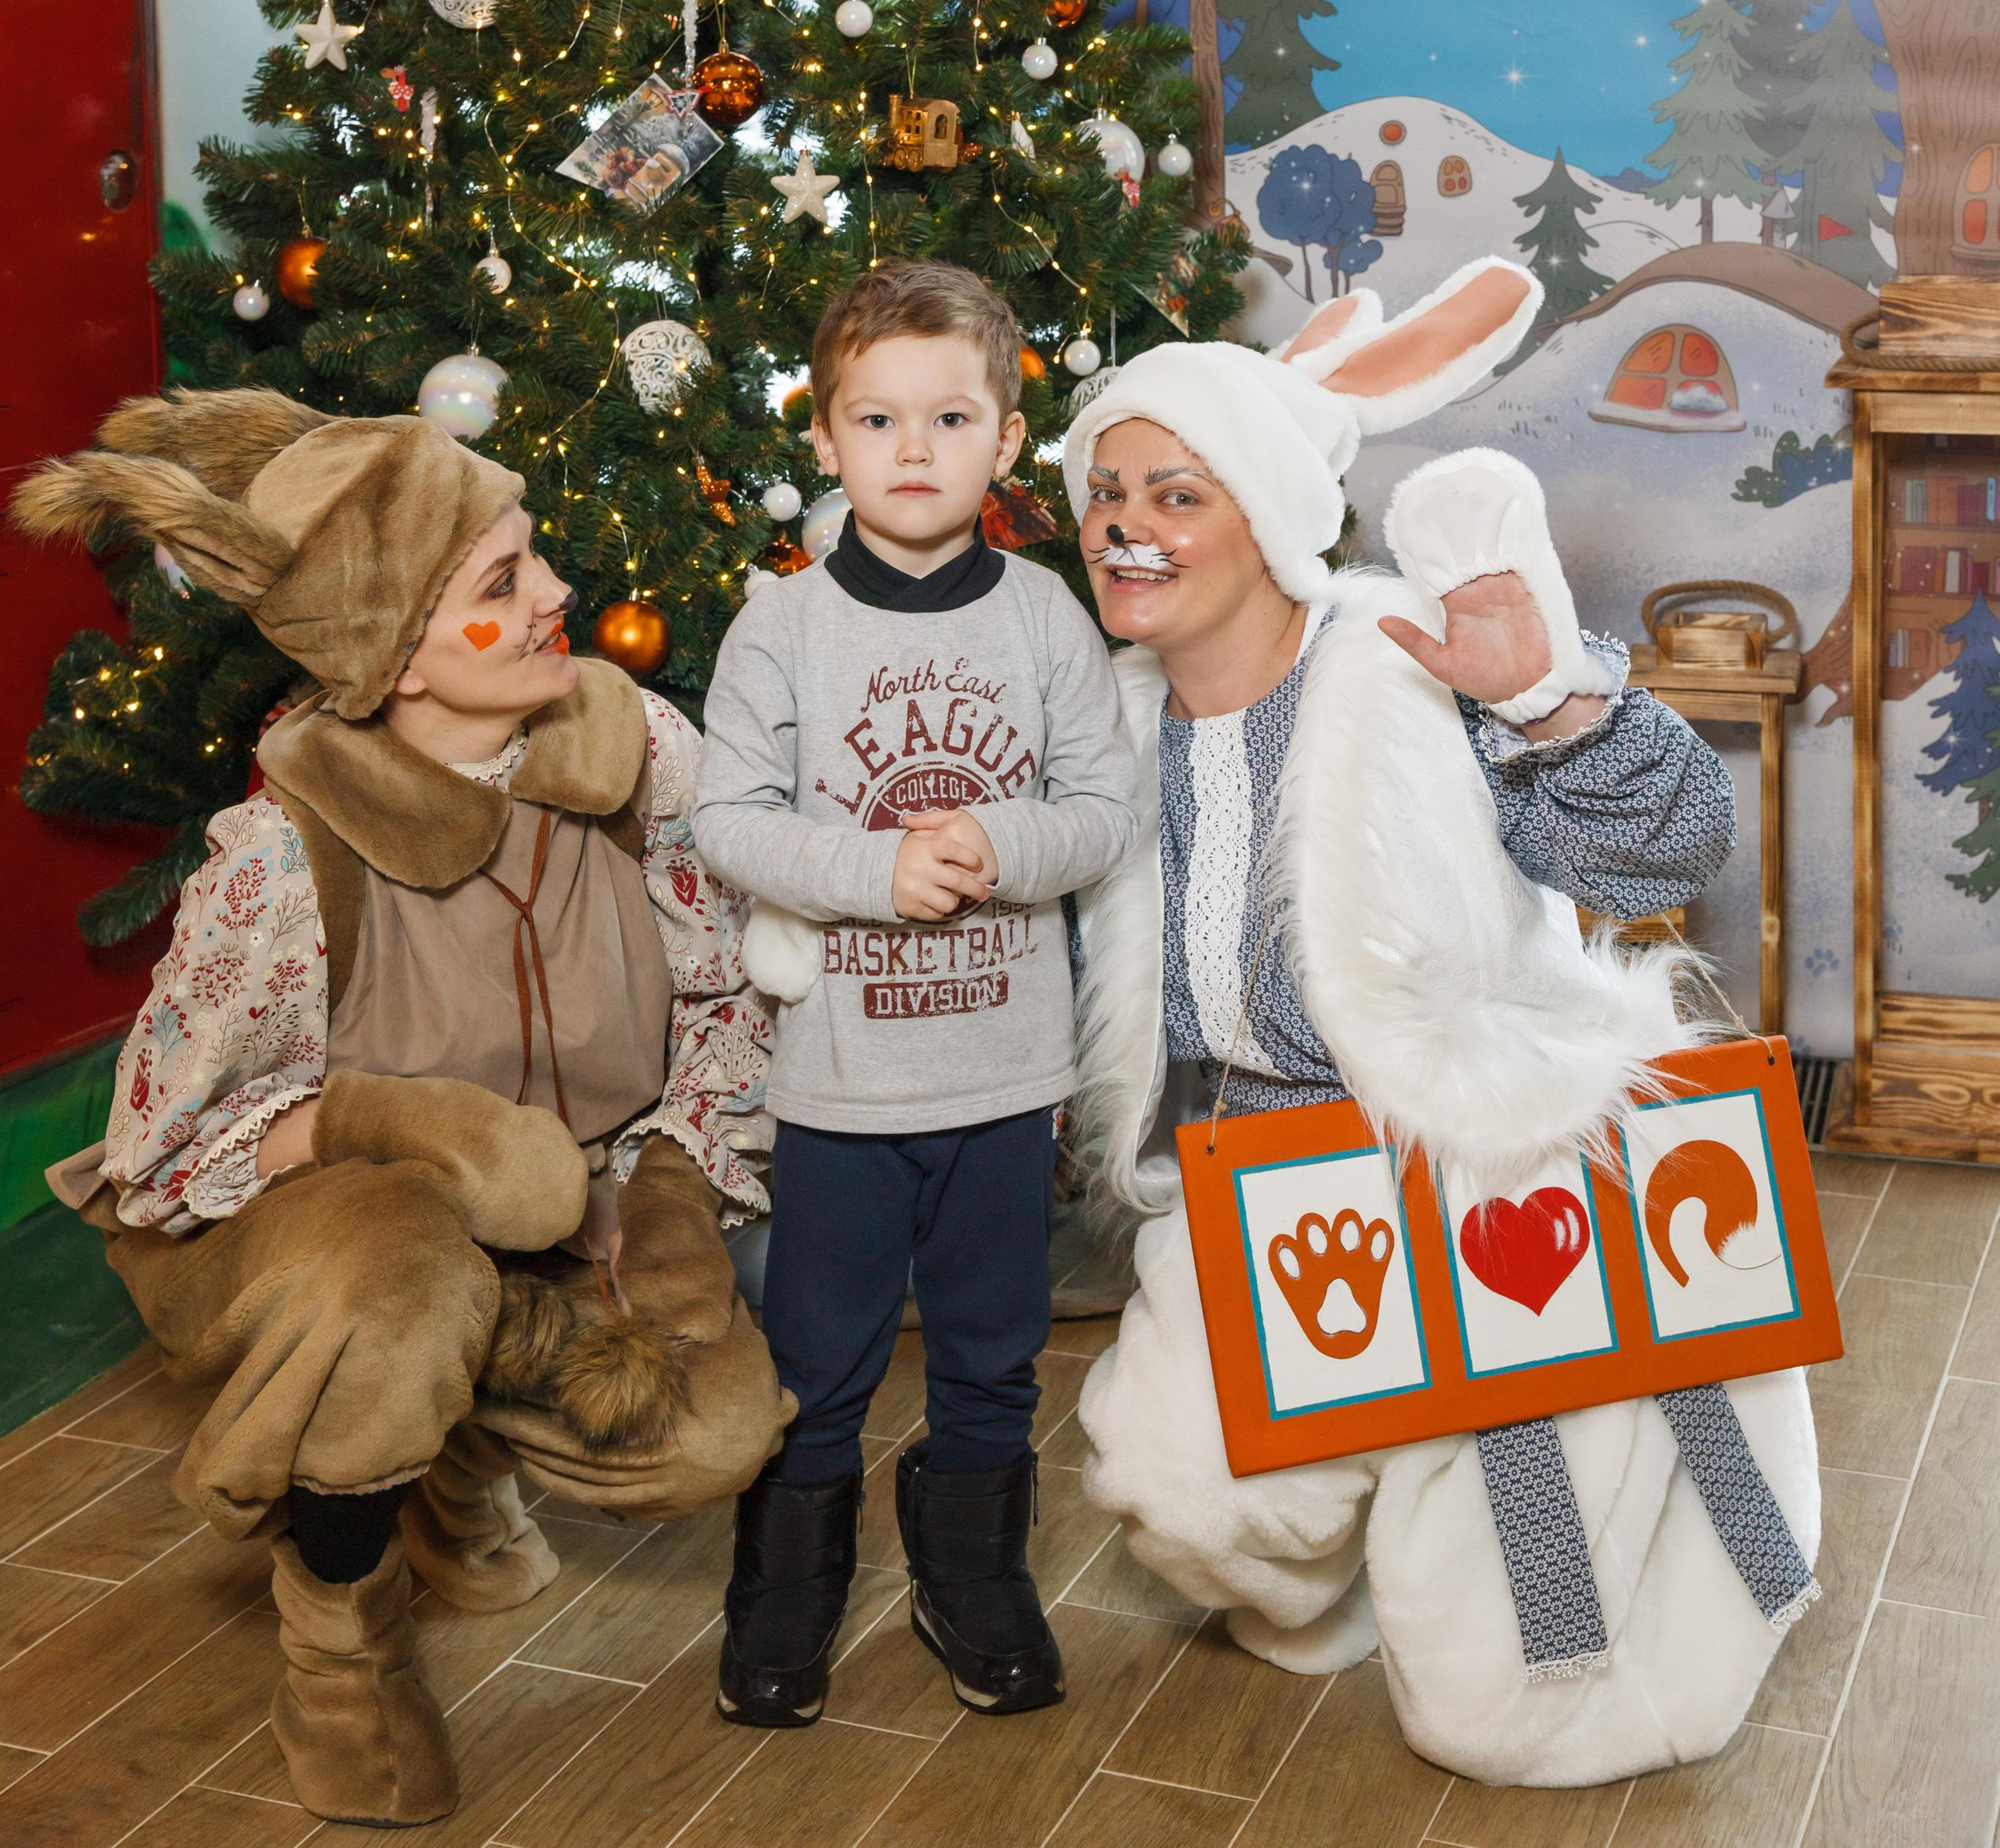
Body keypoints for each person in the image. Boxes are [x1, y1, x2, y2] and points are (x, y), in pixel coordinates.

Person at [1059, 261, 1822, 1790]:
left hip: (1494, 1179)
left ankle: (1509, 1548)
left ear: (1272, 514)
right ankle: (1352, 1541)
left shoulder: (1402, 671)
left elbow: (1669, 851)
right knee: (1170, 1485)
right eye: (1107, 490)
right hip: (1272, 1184)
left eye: (1177, 493)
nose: (1126, 523)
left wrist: (1550, 702)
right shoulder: (1108, 721)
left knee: (1506, 1710)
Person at [14, 390, 787, 1828]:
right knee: (401, 1273)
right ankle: (340, 1623)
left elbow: (733, 997)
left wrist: (673, 1174)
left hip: (569, 1209)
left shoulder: (640, 762)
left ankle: (441, 1446)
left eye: (533, 552)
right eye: (503, 581)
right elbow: (160, 1152)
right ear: (390, 658)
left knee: (715, 1428)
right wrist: (392, 1127)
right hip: (307, 1230)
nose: (559, 589)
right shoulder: (279, 865)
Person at [695, 259, 1139, 1728]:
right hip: (843, 1086)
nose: (913, 451)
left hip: (1004, 1080)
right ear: (823, 438)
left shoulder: (1046, 618)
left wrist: (1002, 843)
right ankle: (787, 1588)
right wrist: (868, 870)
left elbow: (1104, 808)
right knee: (819, 1356)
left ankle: (975, 1573)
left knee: (993, 1347)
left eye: (950, 419)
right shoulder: (783, 628)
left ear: (1008, 440)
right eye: (876, 421)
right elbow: (731, 819)